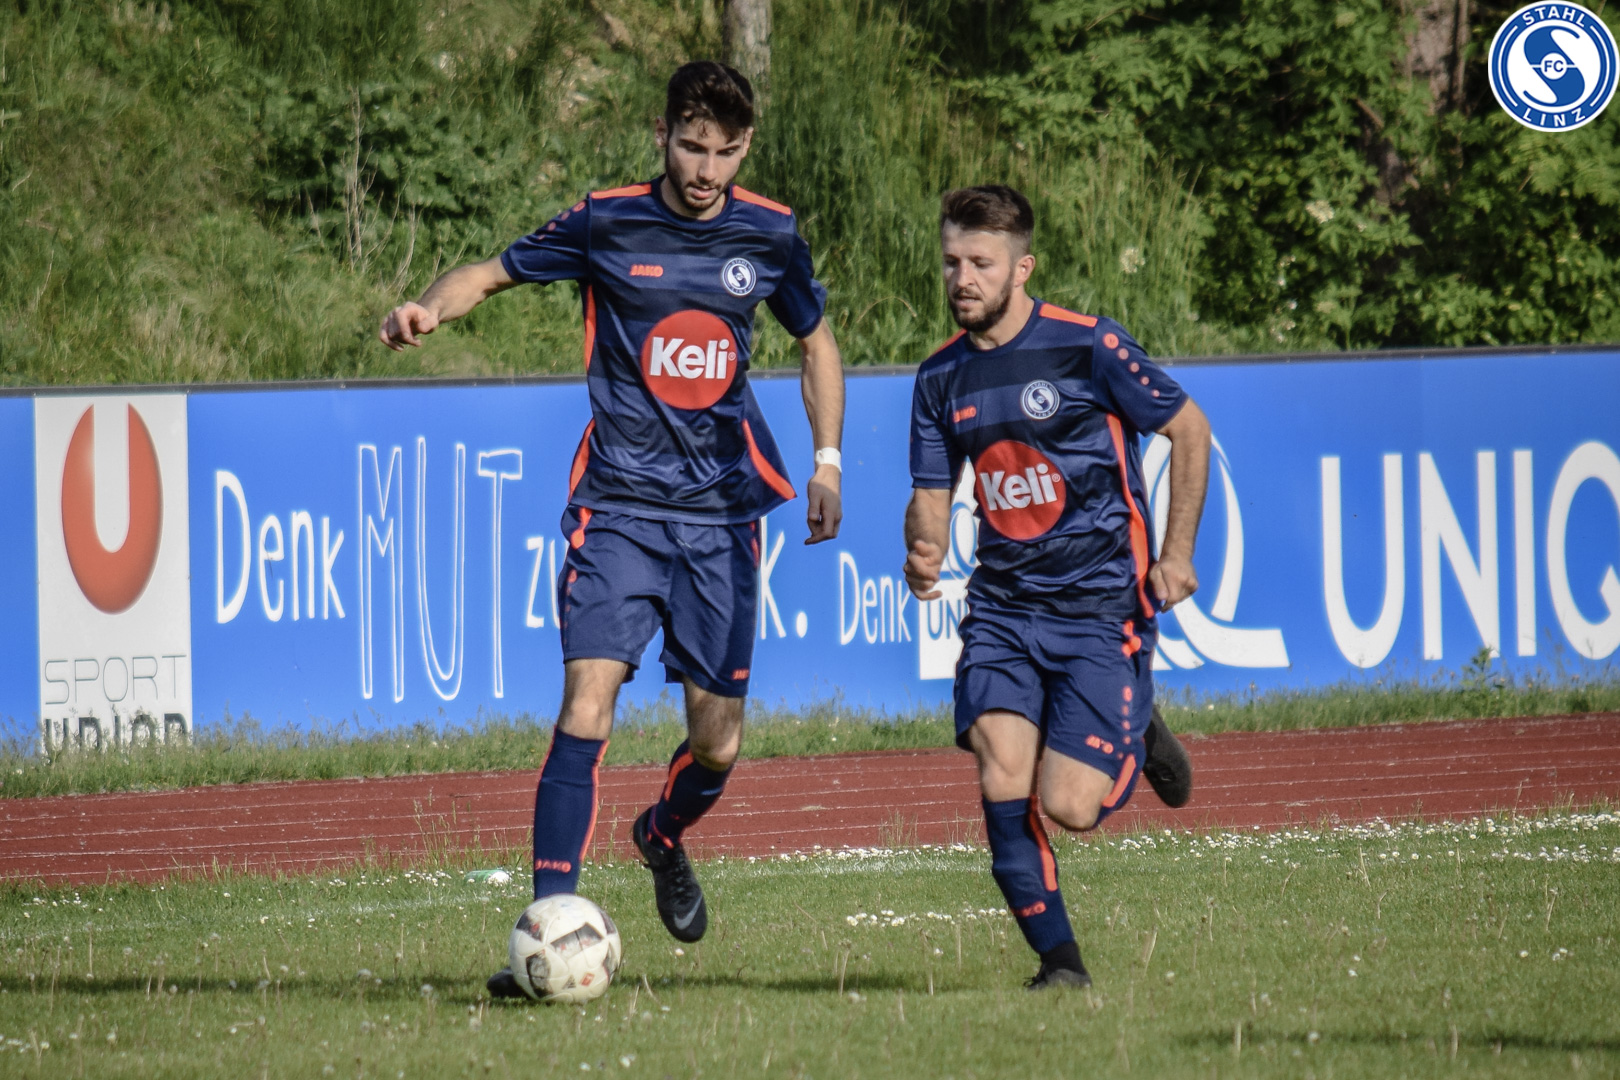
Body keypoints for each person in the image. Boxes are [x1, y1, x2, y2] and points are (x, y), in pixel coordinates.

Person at [378, 61, 846, 997]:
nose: (706, 169)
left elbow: (816, 342)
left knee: (717, 744)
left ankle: (661, 835)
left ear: (745, 147)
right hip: (619, 507)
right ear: (661, 134)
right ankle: (547, 928)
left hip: (721, 517)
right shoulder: (607, 221)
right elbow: (488, 273)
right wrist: (429, 305)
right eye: (691, 146)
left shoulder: (771, 232)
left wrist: (827, 461)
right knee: (587, 703)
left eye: (725, 152)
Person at [903, 185, 1203, 990]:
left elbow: (1188, 428)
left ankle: (1139, 731)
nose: (962, 278)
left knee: (1071, 806)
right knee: (1001, 773)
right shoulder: (939, 377)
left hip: (1102, 608)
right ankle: (1061, 966)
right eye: (952, 262)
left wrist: (1176, 553)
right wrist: (922, 549)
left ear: (1022, 268)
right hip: (1003, 611)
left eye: (980, 263)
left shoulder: (1088, 345)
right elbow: (930, 495)